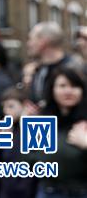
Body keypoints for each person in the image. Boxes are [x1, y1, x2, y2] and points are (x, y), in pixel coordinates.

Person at [27, 66, 87, 198]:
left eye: (74, 86)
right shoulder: (41, 120)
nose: (68, 91)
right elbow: (30, 162)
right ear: (52, 89)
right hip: (49, 191)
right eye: (62, 86)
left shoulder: (84, 124)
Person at [0, 88, 38, 198]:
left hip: (27, 189)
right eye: (4, 107)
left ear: (25, 105)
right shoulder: (6, 127)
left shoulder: (34, 126)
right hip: (6, 188)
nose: (6, 111)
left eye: (11, 106)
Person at [27, 22, 73, 107]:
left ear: (43, 42)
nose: (28, 44)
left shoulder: (73, 69)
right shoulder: (38, 70)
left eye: (31, 39)